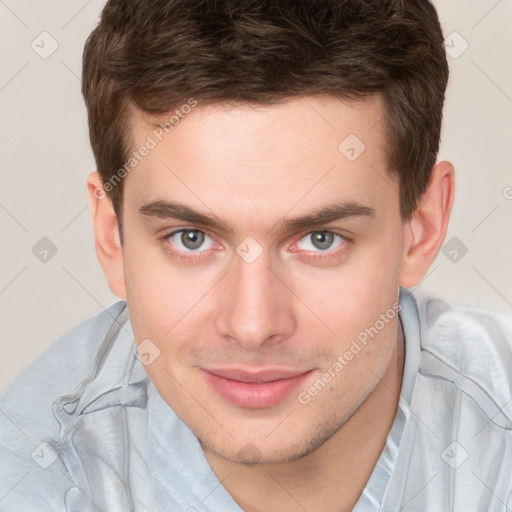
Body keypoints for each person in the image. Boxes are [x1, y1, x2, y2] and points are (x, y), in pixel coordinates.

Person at [1, 0, 511, 510]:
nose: (252, 325)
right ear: (113, 237)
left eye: (320, 239)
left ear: (421, 229)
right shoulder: (30, 474)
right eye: (191, 238)